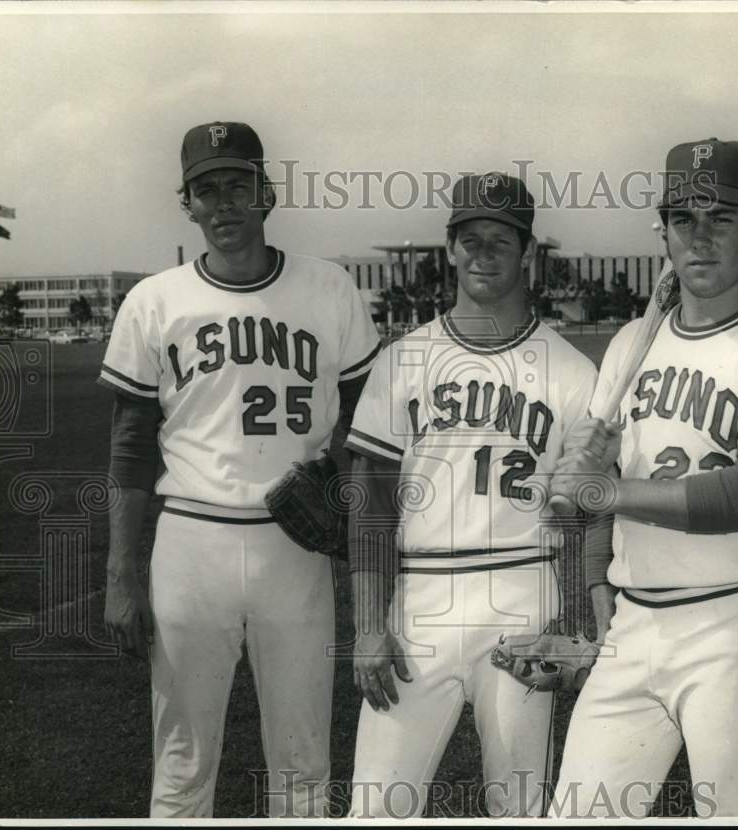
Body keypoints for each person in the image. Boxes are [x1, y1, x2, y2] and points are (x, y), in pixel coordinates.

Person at [549, 138, 738, 818]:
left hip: (734, 619)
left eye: (721, 219)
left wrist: (606, 492)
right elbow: (602, 479)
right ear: (664, 232)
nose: (700, 238)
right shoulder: (630, 342)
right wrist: (597, 585)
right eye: (684, 220)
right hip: (633, 621)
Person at [99, 121, 381, 818]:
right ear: (187, 204)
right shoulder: (155, 301)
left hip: (296, 546)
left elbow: (370, 427)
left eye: (238, 186)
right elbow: (131, 445)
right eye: (206, 190)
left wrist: (347, 498)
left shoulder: (329, 288)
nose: (223, 204)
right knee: (184, 760)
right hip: (192, 544)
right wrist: (119, 573)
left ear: (267, 195)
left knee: (304, 760)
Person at [344, 173, 598, 818]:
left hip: (523, 593)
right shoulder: (403, 361)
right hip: (420, 597)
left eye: (502, 241)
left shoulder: (572, 370)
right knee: (375, 806)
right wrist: (370, 625)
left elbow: (583, 514)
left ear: (526, 251)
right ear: (450, 248)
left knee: (518, 806)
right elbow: (369, 501)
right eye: (471, 238)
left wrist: (570, 623)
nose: (485, 253)